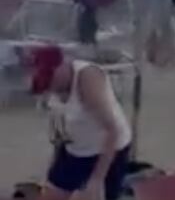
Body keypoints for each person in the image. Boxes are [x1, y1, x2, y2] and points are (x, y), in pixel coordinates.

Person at [30, 46, 132, 200]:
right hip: (75, 149)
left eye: (50, 78)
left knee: (94, 195)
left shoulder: (87, 79)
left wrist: (97, 179)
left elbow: (112, 130)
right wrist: (53, 167)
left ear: (62, 65)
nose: (50, 86)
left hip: (108, 149)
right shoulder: (51, 88)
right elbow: (59, 132)